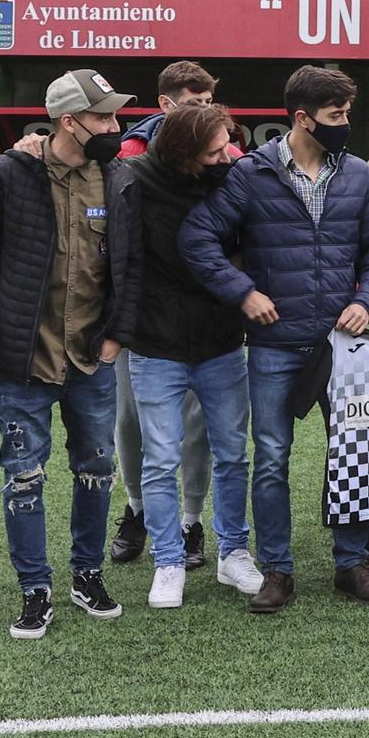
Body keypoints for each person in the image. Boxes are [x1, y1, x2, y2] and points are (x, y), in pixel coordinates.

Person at [180, 65, 369, 613]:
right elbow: (197, 238)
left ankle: (354, 564)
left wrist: (366, 300)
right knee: (272, 456)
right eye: (336, 115)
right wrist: (243, 293)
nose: (345, 123)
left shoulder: (357, 176)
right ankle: (277, 570)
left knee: (354, 453)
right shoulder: (250, 175)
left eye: (346, 113)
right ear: (302, 118)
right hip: (275, 344)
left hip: (343, 345)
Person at [0, 69, 137, 639]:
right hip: (24, 360)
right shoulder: (9, 174)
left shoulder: (120, 177)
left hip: (92, 358)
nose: (114, 126)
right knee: (24, 476)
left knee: (96, 469)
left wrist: (118, 332)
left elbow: (132, 268)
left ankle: (87, 574)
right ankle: (35, 589)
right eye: (104, 116)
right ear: (68, 121)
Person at [107, 103, 253, 611]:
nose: (225, 157)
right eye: (213, 150)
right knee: (160, 458)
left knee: (233, 454)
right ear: (183, 149)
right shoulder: (133, 182)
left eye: (226, 147)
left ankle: (234, 552)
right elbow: (120, 261)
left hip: (221, 341)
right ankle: (168, 561)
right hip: (155, 344)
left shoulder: (232, 178)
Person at [116, 60, 237, 160]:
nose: (204, 112)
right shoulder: (128, 154)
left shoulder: (229, 153)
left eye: (208, 102)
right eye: (193, 104)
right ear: (166, 104)